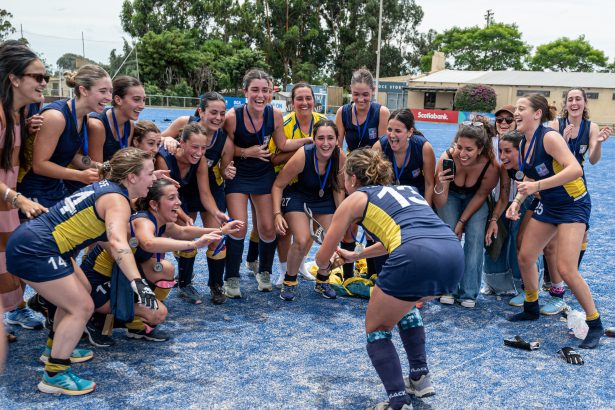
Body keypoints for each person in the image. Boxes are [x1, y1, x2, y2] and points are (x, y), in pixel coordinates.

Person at [315, 148, 463, 410]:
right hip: (452, 254)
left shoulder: (356, 198)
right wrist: (356, 255)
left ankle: (398, 400)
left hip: (414, 256)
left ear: (352, 178)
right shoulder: (407, 190)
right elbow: (401, 236)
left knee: (377, 328)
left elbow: (321, 257)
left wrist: (325, 267)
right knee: (404, 305)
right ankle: (419, 377)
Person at [6, 147, 159, 395]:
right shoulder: (118, 201)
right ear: (132, 177)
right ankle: (55, 374)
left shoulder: (108, 189)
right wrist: (138, 283)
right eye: (150, 173)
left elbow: (109, 242)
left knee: (83, 290)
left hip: (38, 242)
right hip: (37, 249)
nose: (154, 179)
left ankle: (54, 348)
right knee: (82, 306)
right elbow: (118, 244)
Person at [81, 179, 239, 345]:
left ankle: (135, 326)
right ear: (154, 205)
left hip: (121, 276)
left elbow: (183, 231)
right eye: (171, 198)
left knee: (166, 269)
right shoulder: (143, 221)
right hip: (98, 280)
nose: (178, 202)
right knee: (158, 314)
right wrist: (194, 244)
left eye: (177, 197)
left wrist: (221, 230)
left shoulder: (161, 221)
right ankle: (96, 319)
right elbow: (148, 243)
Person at [506, 93, 603, 350]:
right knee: (526, 256)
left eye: (522, 108)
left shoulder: (549, 137)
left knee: (566, 269)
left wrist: (537, 186)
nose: (516, 113)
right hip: (549, 205)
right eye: (516, 108)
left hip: (573, 204)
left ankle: (595, 323)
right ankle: (531, 306)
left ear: (537, 114)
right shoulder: (523, 143)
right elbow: (527, 182)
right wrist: (516, 203)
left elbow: (575, 169)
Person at [221, 69, 312, 298]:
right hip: (239, 174)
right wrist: (246, 152)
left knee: (268, 227)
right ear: (245, 92)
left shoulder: (275, 115)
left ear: (271, 92)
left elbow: (282, 144)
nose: (260, 95)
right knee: (239, 226)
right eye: (255, 90)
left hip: (263, 173)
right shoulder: (232, 117)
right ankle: (231, 278)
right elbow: (225, 149)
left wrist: (309, 140)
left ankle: (264, 272)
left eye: (265, 90)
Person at [536, 89, 612, 315]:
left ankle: (569, 273)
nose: (574, 102)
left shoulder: (591, 127)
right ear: (566, 104)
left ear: (585, 103)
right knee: (553, 239)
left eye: (578, 99)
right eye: (570, 99)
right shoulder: (555, 125)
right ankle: (555, 281)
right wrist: (565, 140)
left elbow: (593, 159)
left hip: (577, 184)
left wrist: (598, 143)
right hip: (556, 183)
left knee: (583, 235)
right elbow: (550, 156)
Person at [160, 93, 235, 304]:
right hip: (179, 187)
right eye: (213, 112)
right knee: (185, 232)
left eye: (222, 113)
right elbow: (155, 139)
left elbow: (216, 179)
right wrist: (165, 138)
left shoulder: (222, 142)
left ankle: (216, 284)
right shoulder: (184, 124)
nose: (218, 117)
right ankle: (184, 282)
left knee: (217, 235)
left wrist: (226, 172)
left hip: (207, 186)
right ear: (201, 111)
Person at [0, 41, 48, 339]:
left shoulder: (18, 114)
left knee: (6, 260)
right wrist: (16, 198)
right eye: (37, 77)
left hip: (6, 203)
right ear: (14, 79)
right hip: (7, 199)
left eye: (45, 77)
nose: (44, 83)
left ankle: (14, 310)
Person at [272, 119, 346, 301]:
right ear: (314, 139)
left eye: (330, 138)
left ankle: (322, 280)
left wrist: (342, 215)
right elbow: (278, 185)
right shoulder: (303, 155)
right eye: (321, 138)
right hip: (299, 197)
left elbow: (338, 188)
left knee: (331, 238)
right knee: (302, 239)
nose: (326, 143)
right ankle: (289, 281)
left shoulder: (340, 156)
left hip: (324, 199)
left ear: (337, 140)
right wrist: (277, 214)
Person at [18, 64, 111, 207]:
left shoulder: (83, 117)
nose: (109, 97)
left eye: (110, 92)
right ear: (83, 90)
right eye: (103, 91)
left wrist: (99, 166)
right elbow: (39, 165)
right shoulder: (56, 117)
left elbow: (72, 156)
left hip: (55, 187)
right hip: (32, 189)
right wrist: (80, 176)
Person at [433, 121, 499, 308]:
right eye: (459, 147)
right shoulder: (447, 158)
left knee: (475, 238)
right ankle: (448, 288)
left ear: (480, 149)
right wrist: (442, 183)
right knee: (448, 237)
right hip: (450, 196)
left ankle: (469, 292)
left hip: (475, 198)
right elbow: (439, 202)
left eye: (469, 149)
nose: (462, 153)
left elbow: (481, 195)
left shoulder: (490, 166)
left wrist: (461, 222)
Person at [335, 68, 391, 281]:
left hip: (374, 174)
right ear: (350, 90)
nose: (360, 99)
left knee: (372, 227)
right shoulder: (342, 113)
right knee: (348, 226)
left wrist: (365, 168)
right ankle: (348, 276)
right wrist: (349, 169)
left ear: (373, 91)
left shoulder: (381, 112)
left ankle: (373, 275)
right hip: (350, 172)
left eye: (365, 94)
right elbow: (337, 147)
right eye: (356, 94)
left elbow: (383, 147)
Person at [269, 82, 326, 286]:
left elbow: (332, 150)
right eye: (299, 99)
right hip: (289, 182)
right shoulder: (284, 124)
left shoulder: (323, 122)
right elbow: (273, 159)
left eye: (308, 98)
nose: (304, 102)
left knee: (312, 227)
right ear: (292, 102)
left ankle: (300, 264)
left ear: (314, 101)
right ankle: (284, 270)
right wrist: (303, 150)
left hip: (315, 182)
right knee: (286, 230)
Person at [482, 105, 520, 296]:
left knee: (519, 244)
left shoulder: (524, 142)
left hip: (522, 200)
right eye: (499, 120)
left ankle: (525, 286)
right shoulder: (488, 142)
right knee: (495, 242)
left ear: (516, 121)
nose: (503, 123)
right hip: (498, 199)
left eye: (508, 119)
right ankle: (494, 283)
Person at [88, 75, 145, 161]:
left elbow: (124, 162)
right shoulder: (97, 125)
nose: (142, 106)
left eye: (144, 100)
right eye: (136, 99)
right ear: (118, 100)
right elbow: (96, 167)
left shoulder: (130, 125)